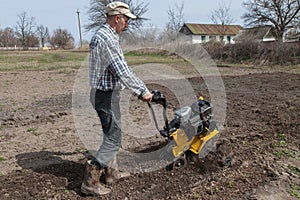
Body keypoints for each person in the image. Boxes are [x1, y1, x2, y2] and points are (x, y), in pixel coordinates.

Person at [81, 1, 153, 196]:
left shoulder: (107, 36)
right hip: (105, 96)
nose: (128, 23)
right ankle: (91, 179)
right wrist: (142, 90)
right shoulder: (106, 39)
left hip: (106, 94)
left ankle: (112, 174)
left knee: (112, 134)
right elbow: (122, 71)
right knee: (113, 139)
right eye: (127, 19)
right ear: (117, 18)